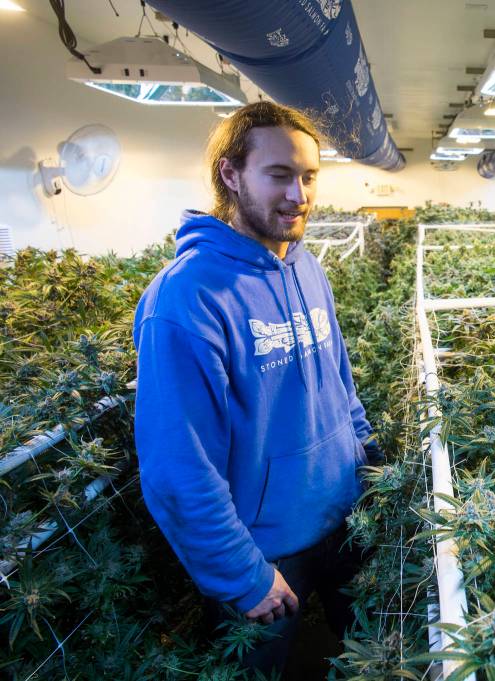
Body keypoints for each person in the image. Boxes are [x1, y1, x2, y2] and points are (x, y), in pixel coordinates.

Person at [133, 101, 381, 675]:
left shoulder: (306, 267)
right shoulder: (186, 298)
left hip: (346, 522)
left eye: (309, 177)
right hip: (264, 555)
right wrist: (241, 574)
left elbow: (339, 383)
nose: (299, 195)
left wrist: (370, 462)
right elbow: (177, 464)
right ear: (231, 174)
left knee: (369, 659)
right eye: (279, 175)